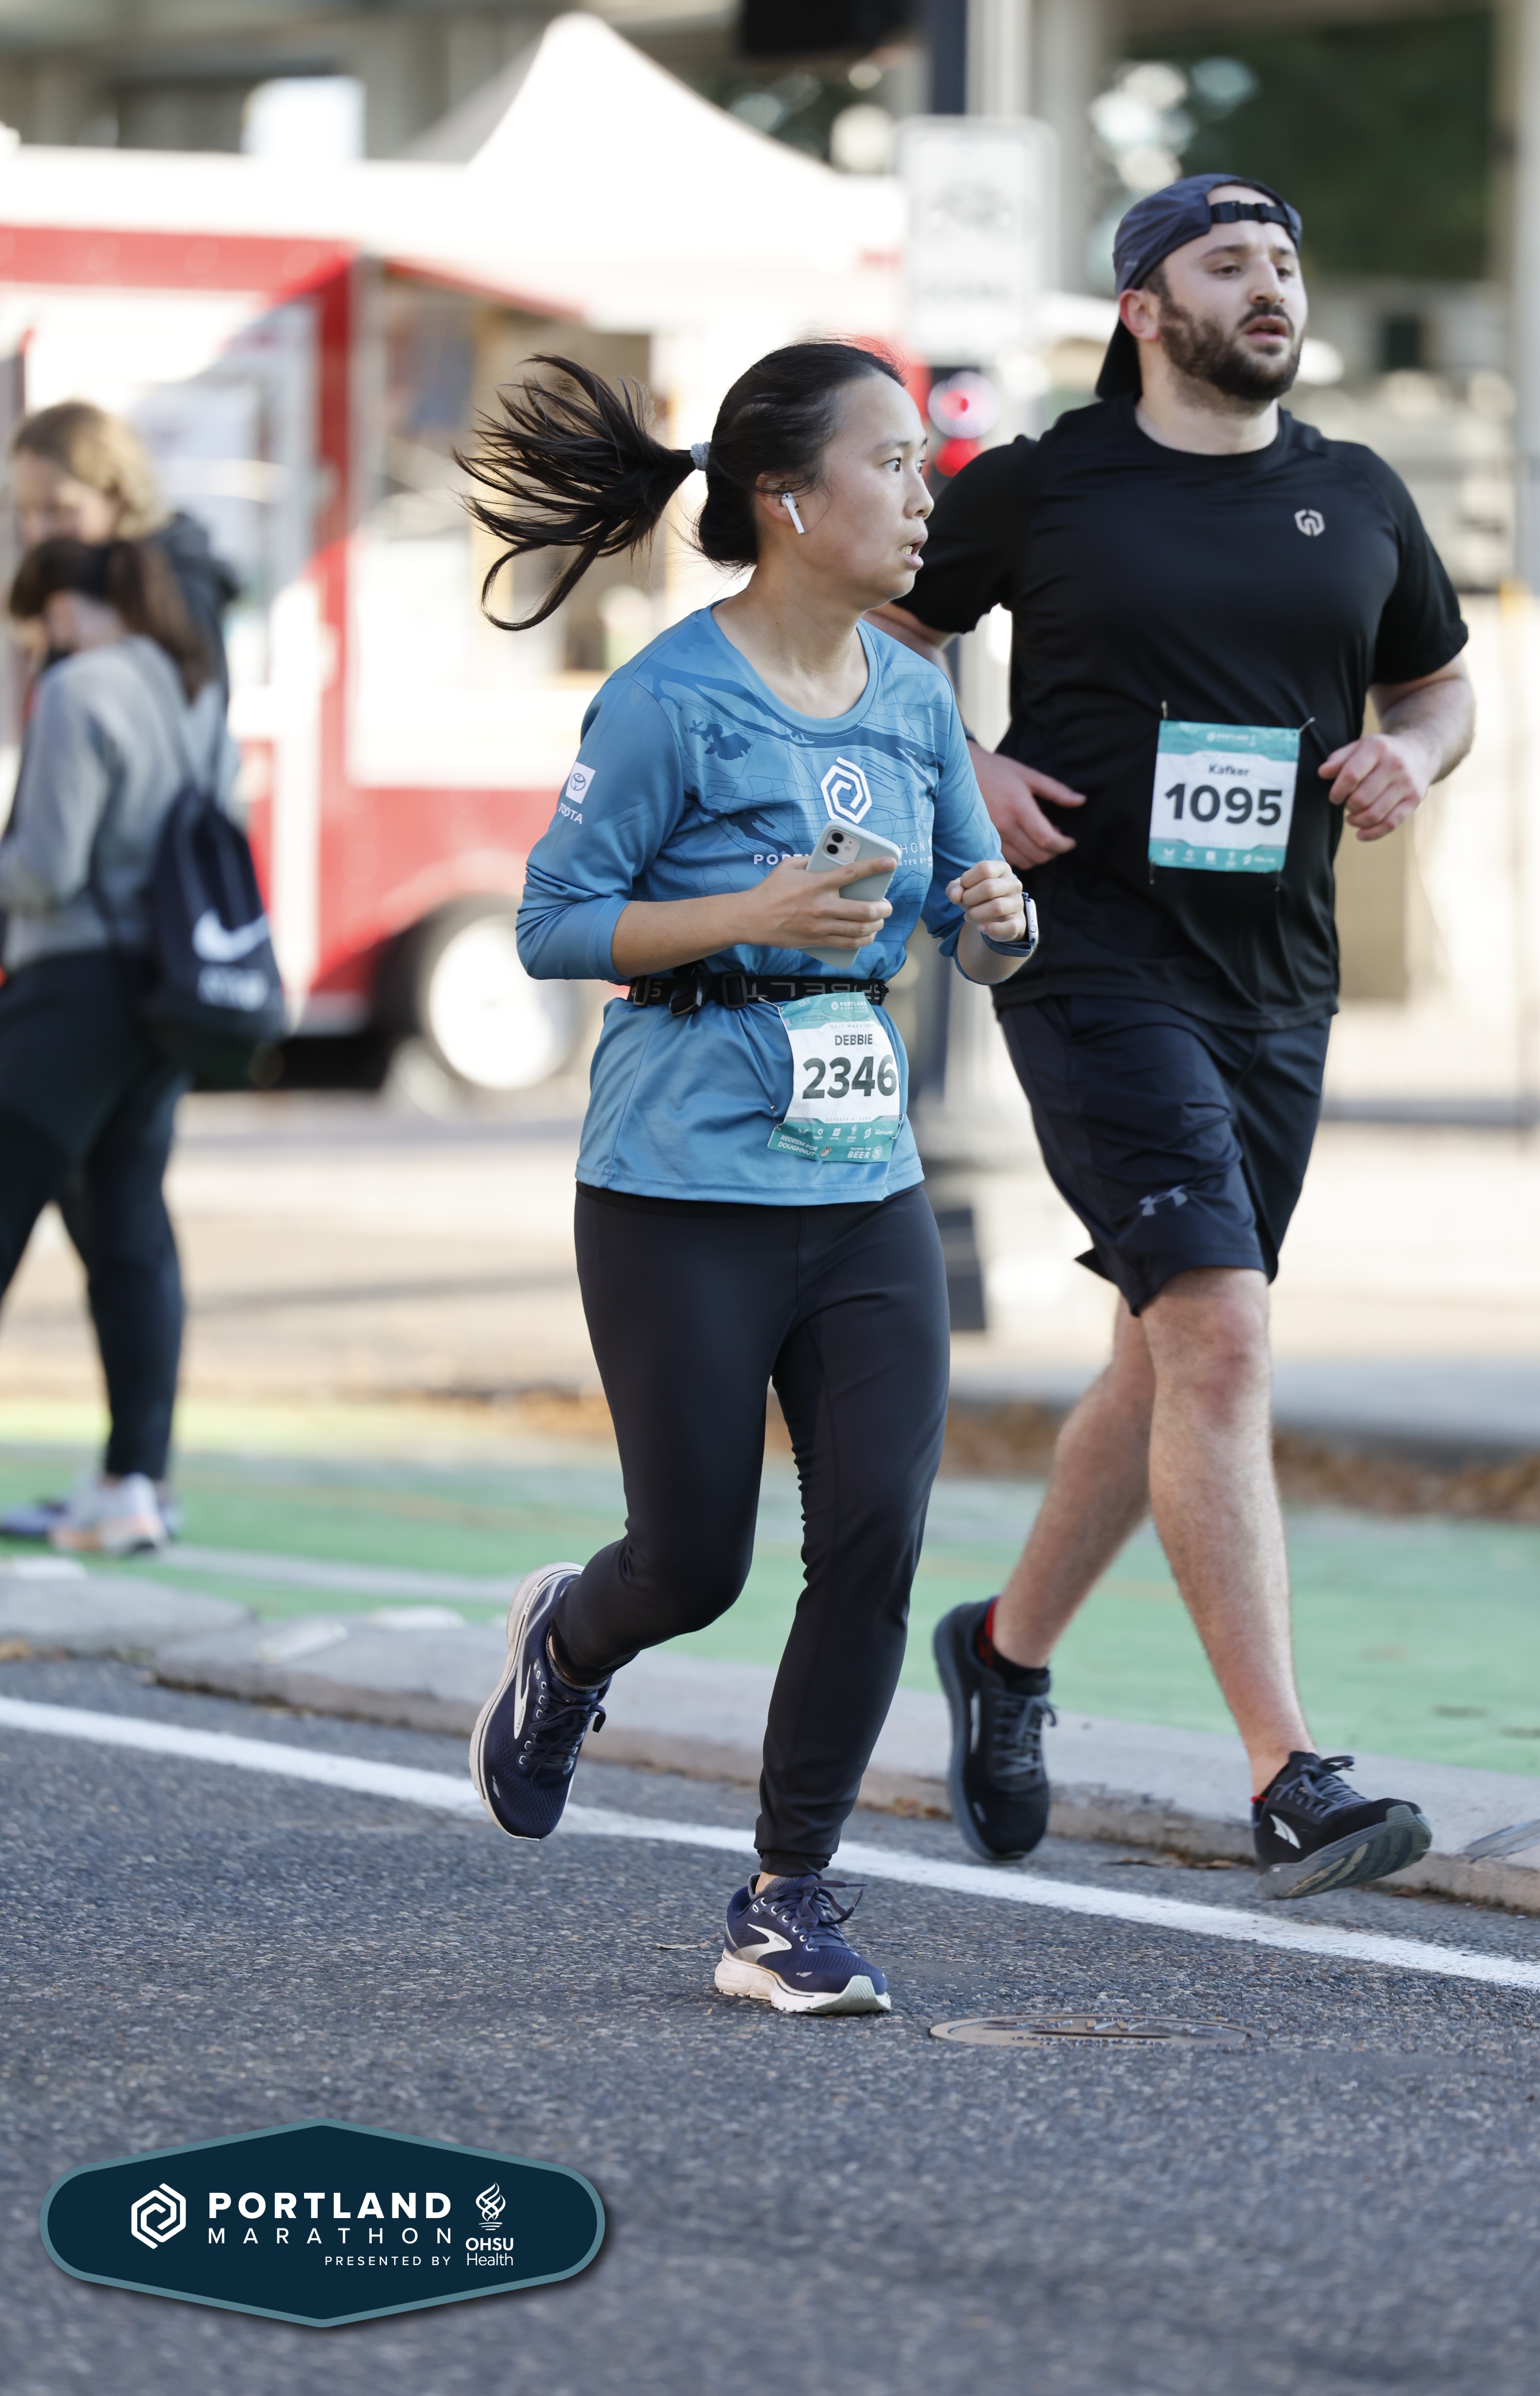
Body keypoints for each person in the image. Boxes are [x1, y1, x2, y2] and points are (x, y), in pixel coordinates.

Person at [872, 174, 1476, 1902]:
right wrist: (969, 770)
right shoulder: (1041, 484)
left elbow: (1435, 684)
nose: (1269, 286)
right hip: (1090, 957)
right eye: (1228, 264)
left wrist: (1410, 755)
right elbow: (881, 647)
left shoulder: (1357, 494)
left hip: (1275, 982)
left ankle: (1000, 1649)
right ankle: (1288, 1774)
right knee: (1217, 1332)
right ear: (1143, 308)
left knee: (1163, 1352)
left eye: (1282, 261)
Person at [461, 343, 1032, 2011]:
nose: (923, 495)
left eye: (921, 465)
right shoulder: (666, 696)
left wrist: (1002, 923)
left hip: (861, 1180)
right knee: (692, 1561)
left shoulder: (915, 693)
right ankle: (567, 1641)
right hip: (677, 1182)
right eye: (891, 463)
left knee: (873, 1536)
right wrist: (746, 914)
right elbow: (550, 924)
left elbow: (974, 923)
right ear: (785, 499)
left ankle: (789, 1897)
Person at [0, 538, 235, 1554]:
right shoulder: (193, 687)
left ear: (61, 608)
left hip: (74, 988)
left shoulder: (79, 686)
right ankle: (134, 1484)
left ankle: (128, 1486)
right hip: (167, 994)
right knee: (130, 1234)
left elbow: (47, 869)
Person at [10, 400, 239, 692]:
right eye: (26, 510)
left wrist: (110, 636)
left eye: (58, 509)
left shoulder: (179, 575)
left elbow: (190, 693)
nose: (37, 531)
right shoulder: (66, 579)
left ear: (118, 495)